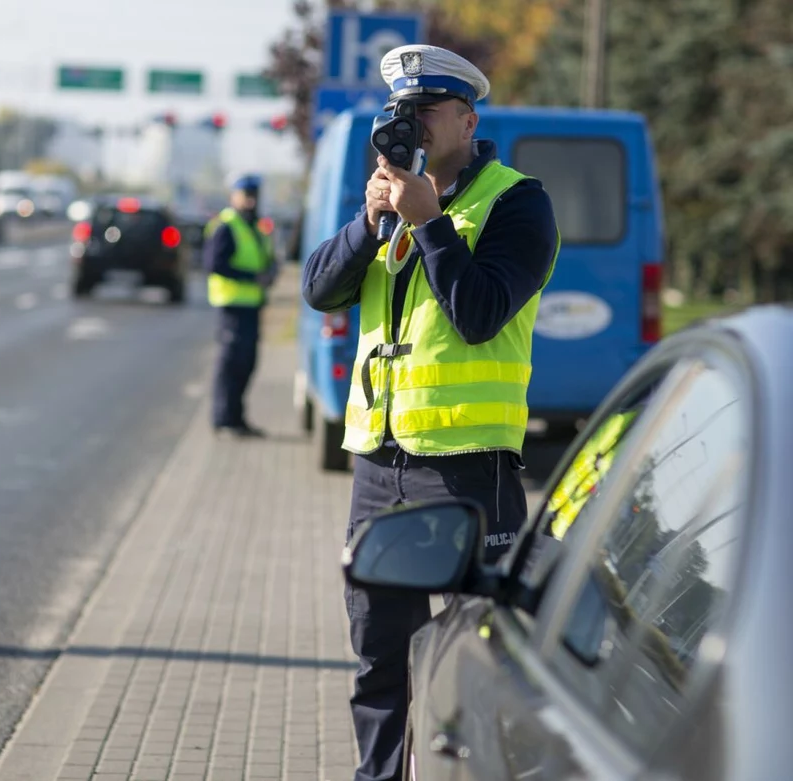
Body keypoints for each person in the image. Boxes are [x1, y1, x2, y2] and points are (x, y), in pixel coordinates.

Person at [302, 44, 560, 781]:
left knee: (481, 653)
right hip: (381, 467)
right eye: (398, 112)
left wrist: (431, 222)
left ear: (467, 119)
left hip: (470, 470)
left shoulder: (519, 202)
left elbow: (479, 313)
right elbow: (320, 288)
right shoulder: (389, 197)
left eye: (424, 111)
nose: (407, 123)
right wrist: (371, 220)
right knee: (378, 655)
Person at [204, 174, 276, 437]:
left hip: (252, 305)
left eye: (253, 195)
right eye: (245, 194)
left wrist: (271, 270)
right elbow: (214, 264)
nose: (250, 200)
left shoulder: (257, 226)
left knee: (247, 363)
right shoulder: (226, 225)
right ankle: (223, 419)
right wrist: (252, 277)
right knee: (231, 364)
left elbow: (265, 258)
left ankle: (236, 418)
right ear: (233, 196)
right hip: (232, 306)